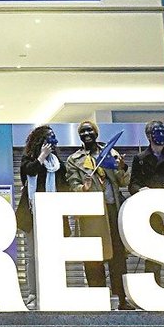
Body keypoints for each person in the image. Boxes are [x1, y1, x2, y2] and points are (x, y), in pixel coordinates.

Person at [65, 120, 132, 309]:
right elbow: (72, 184)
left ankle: (122, 299)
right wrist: (83, 188)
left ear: (96, 133)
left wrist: (122, 167)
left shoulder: (110, 152)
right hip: (92, 215)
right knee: (93, 258)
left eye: (90, 130)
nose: (87, 134)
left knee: (118, 257)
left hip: (113, 210)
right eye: (83, 131)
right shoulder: (74, 159)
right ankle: (98, 300)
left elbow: (123, 181)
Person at [127, 120, 164, 289]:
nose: (161, 136)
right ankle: (153, 287)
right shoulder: (140, 159)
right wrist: (141, 191)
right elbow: (133, 184)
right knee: (151, 251)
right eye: (157, 132)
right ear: (149, 136)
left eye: (163, 132)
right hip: (151, 211)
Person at [17, 126, 64, 306]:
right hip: (32, 214)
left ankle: (52, 290)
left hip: (52, 214)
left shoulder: (57, 163)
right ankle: (33, 293)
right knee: (32, 255)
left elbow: (63, 185)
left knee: (52, 254)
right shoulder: (28, 159)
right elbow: (29, 171)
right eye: (48, 138)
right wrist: (41, 156)